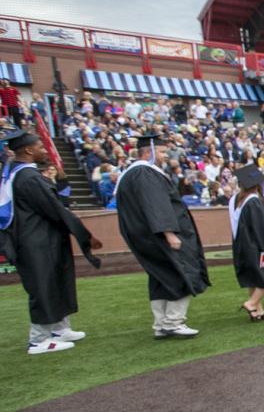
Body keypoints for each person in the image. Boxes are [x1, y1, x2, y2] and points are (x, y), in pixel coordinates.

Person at [1, 130, 101, 354]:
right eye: (40, 147)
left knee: (56, 280)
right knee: (43, 285)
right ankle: (38, 340)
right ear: (28, 150)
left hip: (44, 239)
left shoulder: (19, 174)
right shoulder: (28, 177)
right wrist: (85, 235)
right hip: (35, 242)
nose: (44, 150)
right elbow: (55, 209)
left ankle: (59, 329)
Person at [114, 133, 209, 339]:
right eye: (163, 152)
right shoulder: (145, 173)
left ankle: (160, 325)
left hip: (147, 237)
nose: (167, 156)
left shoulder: (132, 175)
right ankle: (174, 322)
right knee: (181, 272)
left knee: (160, 278)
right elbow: (156, 205)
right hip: (161, 236)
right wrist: (169, 233)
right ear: (149, 152)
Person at [230, 164, 264, 321]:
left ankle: (258, 311)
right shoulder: (254, 201)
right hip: (257, 246)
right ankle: (251, 303)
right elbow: (262, 226)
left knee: (253, 279)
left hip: (242, 246)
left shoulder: (236, 200)